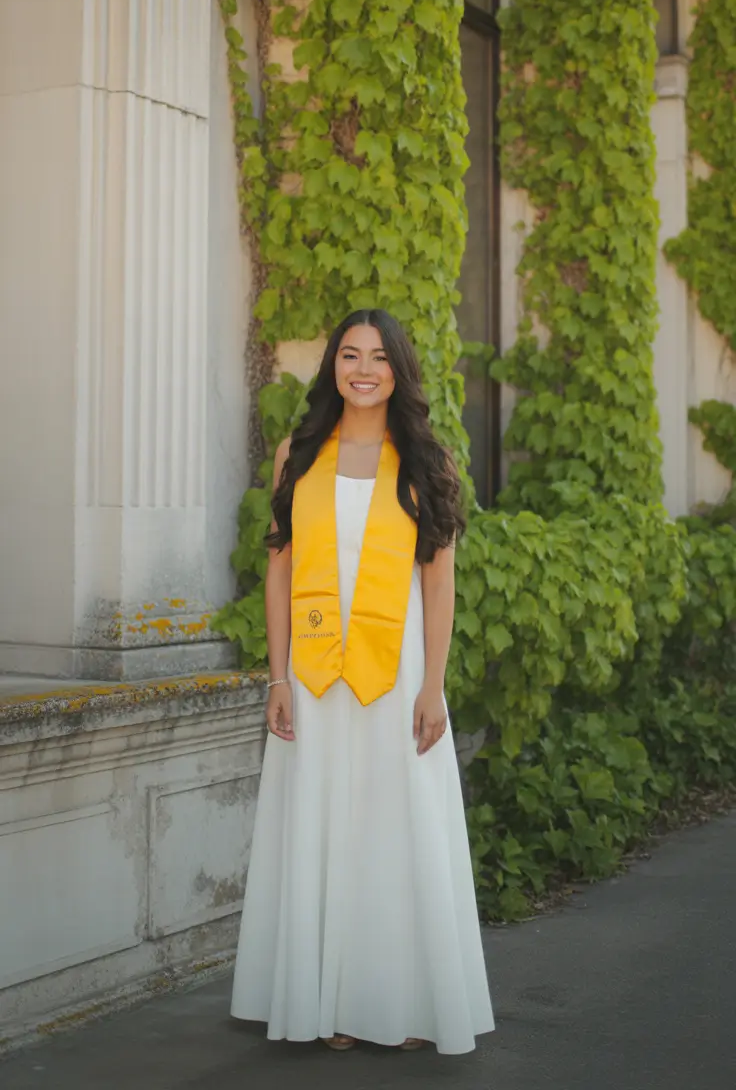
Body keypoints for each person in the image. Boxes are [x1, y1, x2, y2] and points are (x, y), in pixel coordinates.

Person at [230, 307, 494, 1055]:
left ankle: (402, 1005)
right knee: (325, 824)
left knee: (394, 826)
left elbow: (438, 587)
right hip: (313, 677)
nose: (364, 368)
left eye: (379, 356)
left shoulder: (426, 462)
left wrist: (432, 686)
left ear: (398, 369)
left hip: (396, 670)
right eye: (350, 354)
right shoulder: (299, 454)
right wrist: (275, 677)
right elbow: (277, 572)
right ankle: (334, 1005)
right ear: (334, 367)